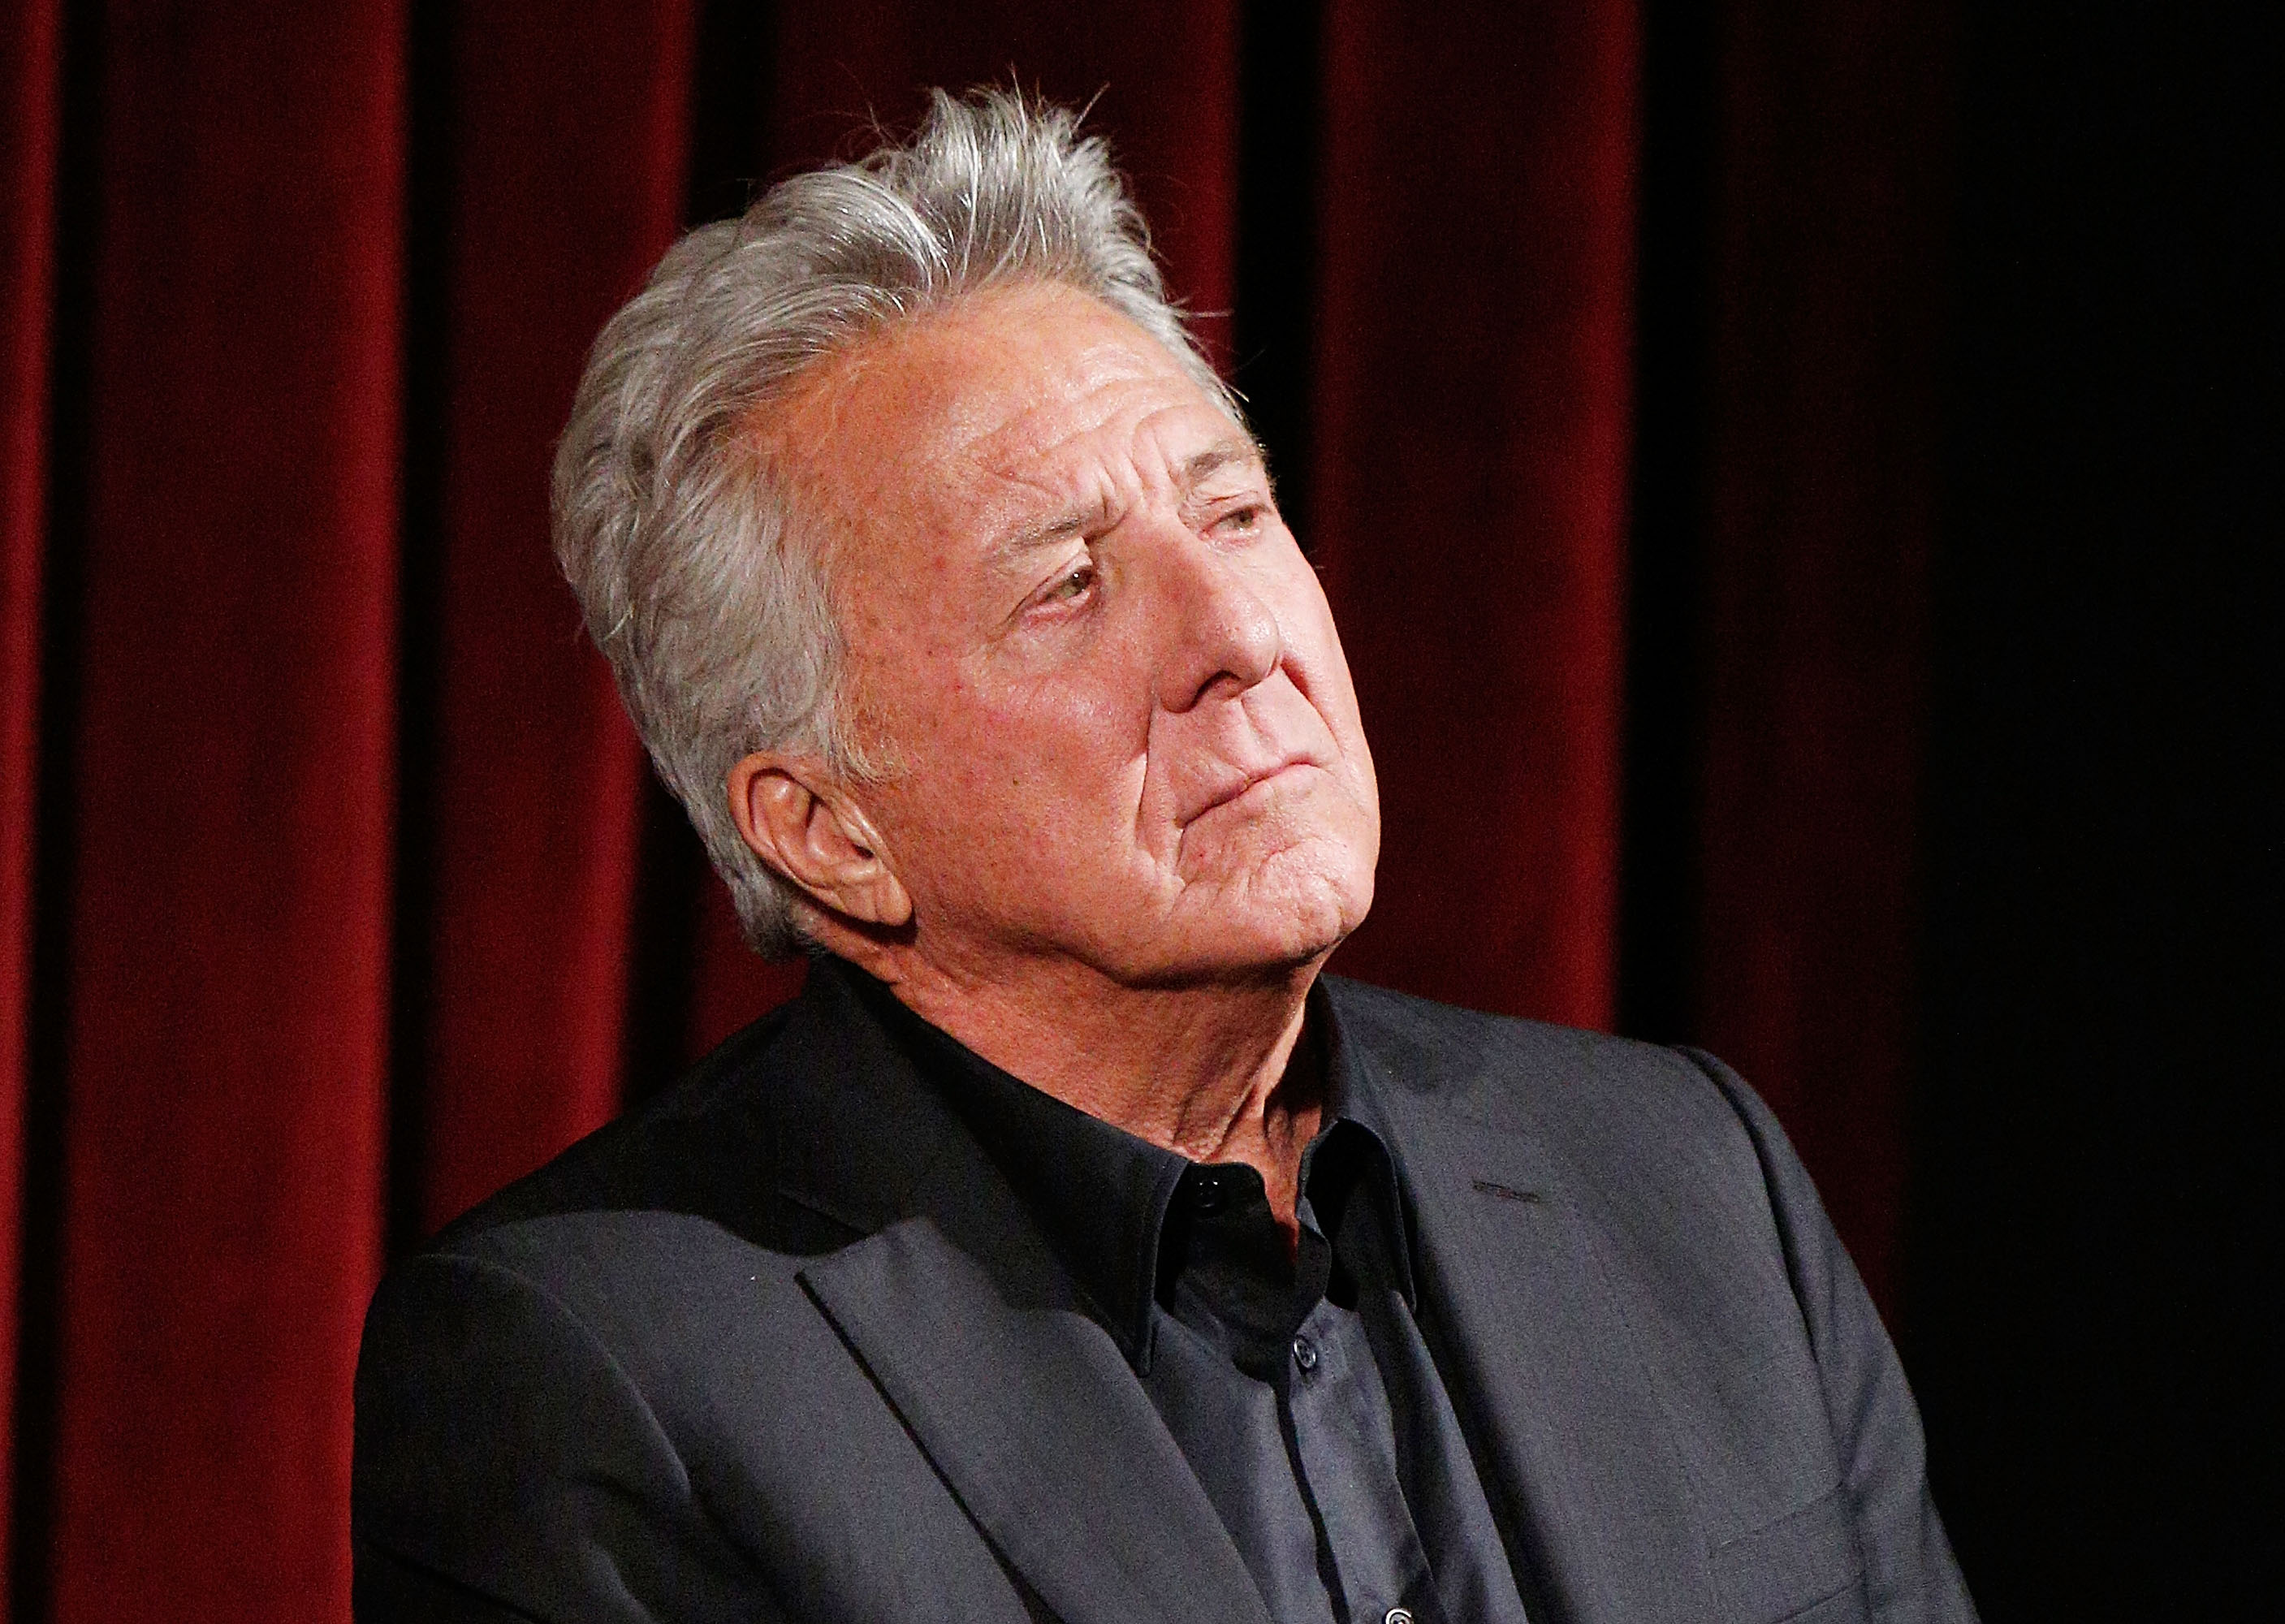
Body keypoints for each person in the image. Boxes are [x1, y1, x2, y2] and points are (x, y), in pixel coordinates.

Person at [350, 89, 1976, 1624]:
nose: (1239, 638)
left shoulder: (1691, 1179)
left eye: (1235, 514)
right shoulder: (601, 1378)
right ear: (832, 832)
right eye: (1067, 584)